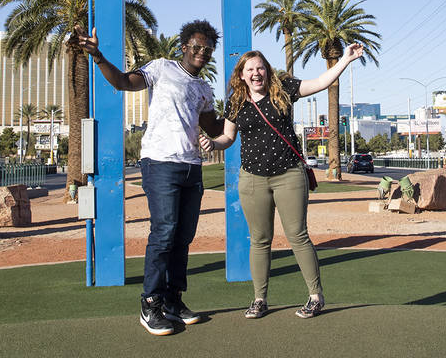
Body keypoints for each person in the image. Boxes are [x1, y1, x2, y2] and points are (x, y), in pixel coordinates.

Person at [76, 20, 222, 336]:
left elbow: (215, 129)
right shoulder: (161, 68)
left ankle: (173, 300)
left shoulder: (203, 89)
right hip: (159, 164)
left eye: (207, 49)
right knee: (165, 231)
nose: (201, 53)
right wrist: (98, 57)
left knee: (183, 236)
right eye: (196, 46)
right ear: (184, 46)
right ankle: (150, 303)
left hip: (191, 168)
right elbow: (125, 82)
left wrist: (250, 103)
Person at [201, 44, 364, 319]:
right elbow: (227, 138)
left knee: (298, 236)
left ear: (267, 70)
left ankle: (315, 296)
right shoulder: (236, 102)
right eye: (249, 69)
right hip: (252, 179)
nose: (256, 73)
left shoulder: (284, 89)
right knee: (259, 240)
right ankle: (259, 299)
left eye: (260, 67)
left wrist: (345, 60)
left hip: (289, 175)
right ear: (241, 75)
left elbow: (321, 82)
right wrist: (212, 143)